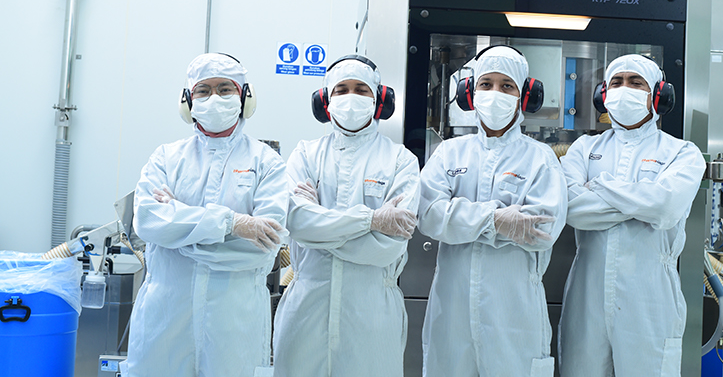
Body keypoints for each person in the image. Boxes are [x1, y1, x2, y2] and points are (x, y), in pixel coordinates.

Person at [122, 53, 288, 377]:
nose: (214, 98)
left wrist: (180, 227)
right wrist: (233, 224)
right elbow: (148, 222)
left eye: (225, 89)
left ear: (245, 98)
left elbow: (262, 248)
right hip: (164, 321)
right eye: (203, 90)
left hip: (235, 325)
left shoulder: (267, 162)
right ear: (188, 101)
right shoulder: (166, 158)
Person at [418, 45, 568, 377]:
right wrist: (497, 220)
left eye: (507, 86)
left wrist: (460, 220)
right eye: (486, 84)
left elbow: (542, 230)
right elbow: (428, 215)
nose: (495, 93)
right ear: (470, 93)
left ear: (524, 96)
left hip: (514, 315)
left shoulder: (540, 158)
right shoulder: (448, 153)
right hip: (451, 314)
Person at [558, 54, 706, 377]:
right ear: (604, 95)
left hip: (650, 298)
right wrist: (641, 203)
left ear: (657, 96)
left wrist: (601, 184)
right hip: (587, 295)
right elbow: (570, 209)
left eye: (636, 83)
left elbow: (665, 208)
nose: (624, 89)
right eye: (616, 83)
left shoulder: (682, 153)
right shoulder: (583, 148)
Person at [272, 55, 420, 377]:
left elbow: (386, 249)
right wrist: (372, 221)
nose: (351, 97)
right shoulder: (305, 154)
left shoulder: (401, 160)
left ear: (379, 100)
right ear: (325, 101)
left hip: (372, 313)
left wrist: (320, 223)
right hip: (306, 309)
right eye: (341, 90)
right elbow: (297, 223)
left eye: (361, 90)